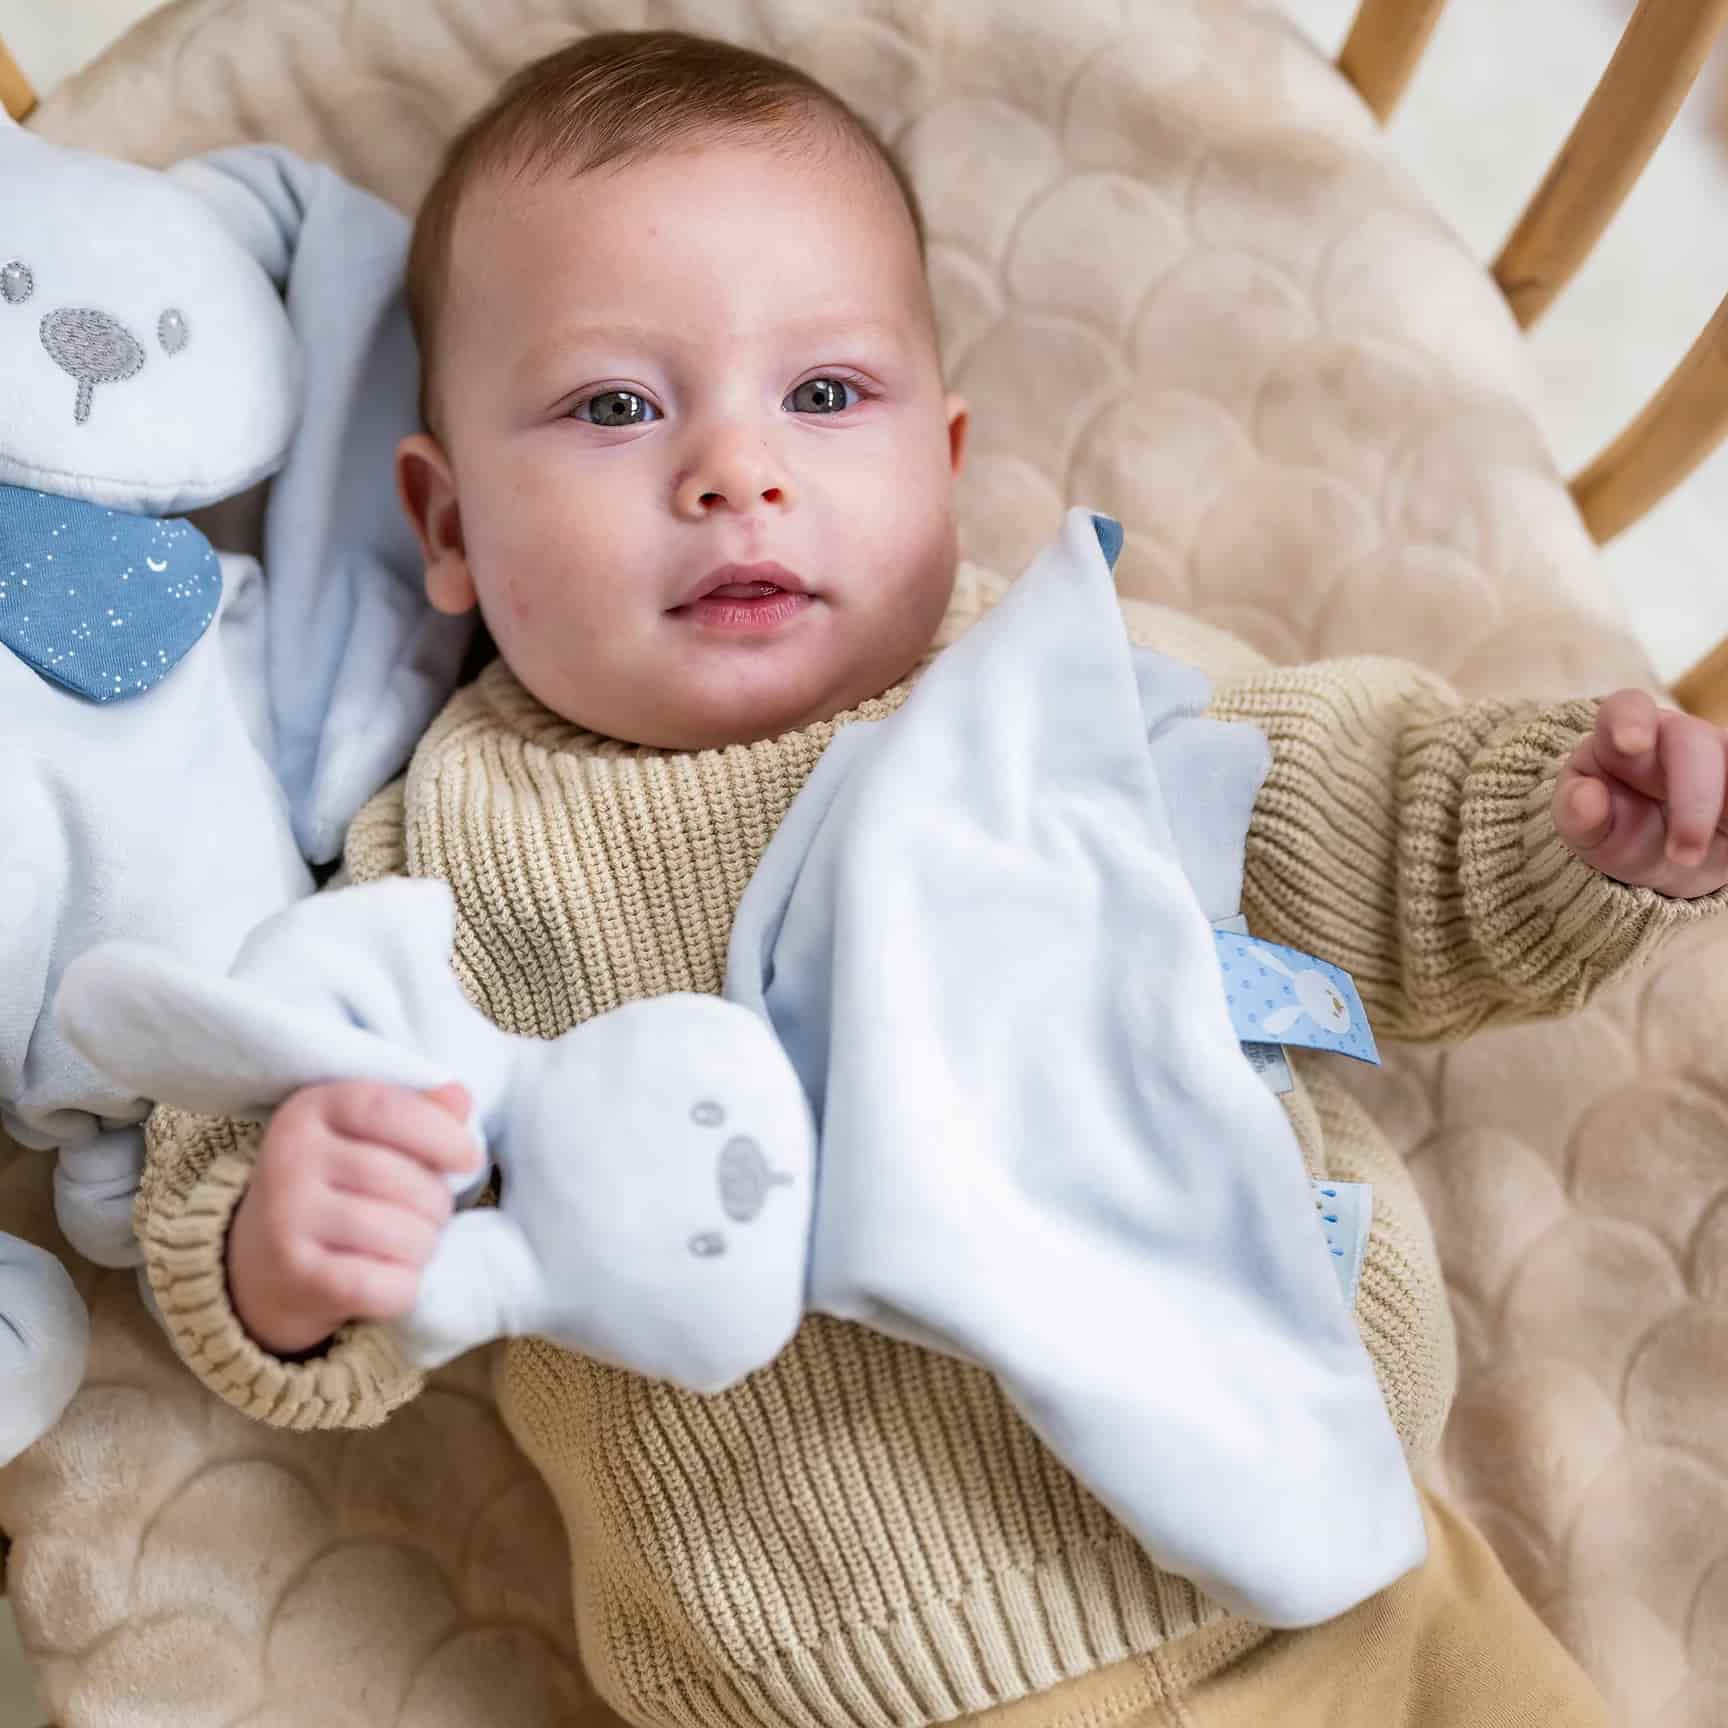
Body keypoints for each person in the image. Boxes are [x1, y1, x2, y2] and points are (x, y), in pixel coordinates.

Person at [136, 30, 1726, 1727]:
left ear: (945, 462)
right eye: (615, 406)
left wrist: (1568, 822)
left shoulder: (1056, 692)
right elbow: (252, 1115)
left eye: (826, 396)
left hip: (1350, 1571)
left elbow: (1357, 821)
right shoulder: (447, 851)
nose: (735, 471)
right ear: (448, 524)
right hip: (863, 1685)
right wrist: (286, 1255)